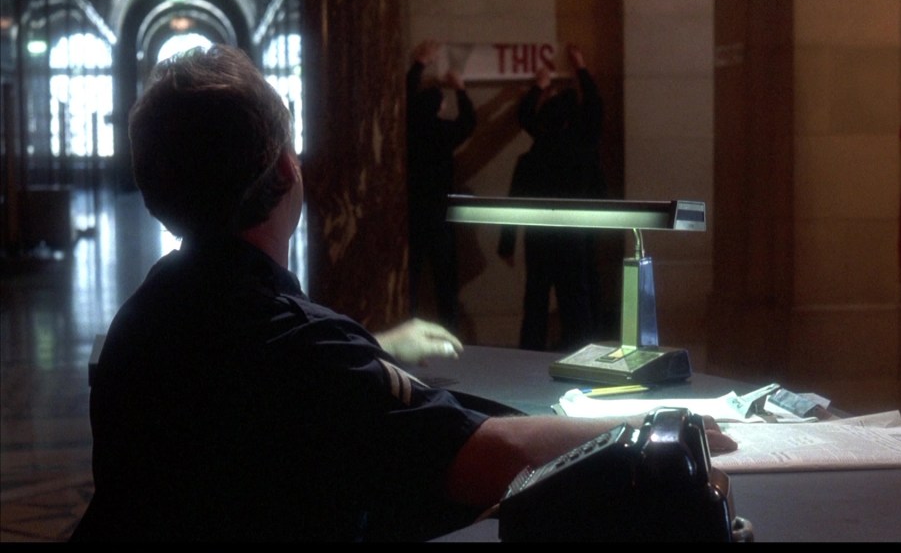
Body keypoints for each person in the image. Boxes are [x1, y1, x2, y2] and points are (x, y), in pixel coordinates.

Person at [69, 44, 735, 542]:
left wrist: (374, 349)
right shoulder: (298, 346)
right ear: (286, 167)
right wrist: (661, 428)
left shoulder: (144, 318)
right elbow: (489, 460)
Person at [498, 43, 607, 353]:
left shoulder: (533, 156)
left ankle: (528, 358)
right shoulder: (582, 150)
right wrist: (581, 69)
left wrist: (538, 87)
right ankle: (582, 358)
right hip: (573, 236)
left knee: (535, 301)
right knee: (576, 303)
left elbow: (512, 202)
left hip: (539, 236)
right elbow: (596, 107)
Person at [406, 39, 477, 332]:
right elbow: (469, 122)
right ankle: (450, 330)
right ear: (437, 107)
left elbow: (407, 96)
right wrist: (461, 88)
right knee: (445, 279)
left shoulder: (408, 127)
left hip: (412, 211)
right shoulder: (442, 132)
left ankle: (405, 325)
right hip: (440, 211)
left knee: (410, 277)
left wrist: (419, 64)